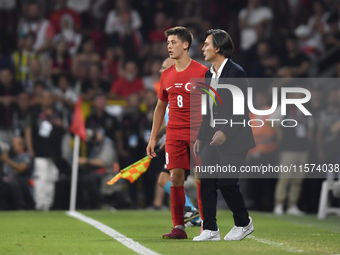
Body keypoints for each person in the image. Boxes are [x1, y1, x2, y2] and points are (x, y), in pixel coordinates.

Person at [193, 29, 255, 241]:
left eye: (206, 44)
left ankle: (243, 223)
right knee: (207, 181)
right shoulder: (209, 74)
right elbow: (207, 110)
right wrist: (201, 136)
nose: (202, 48)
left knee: (227, 182)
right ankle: (210, 229)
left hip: (236, 138)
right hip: (212, 137)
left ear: (218, 47)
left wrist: (225, 132)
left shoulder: (237, 72)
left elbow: (242, 108)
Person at [146, 26, 208, 239]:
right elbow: (160, 108)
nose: (169, 46)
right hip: (174, 133)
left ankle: (207, 227)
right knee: (175, 179)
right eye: (168, 43)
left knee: (202, 178)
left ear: (185, 44)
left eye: (173, 42)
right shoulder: (166, 76)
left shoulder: (202, 72)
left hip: (199, 132)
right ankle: (179, 227)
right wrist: (153, 137)